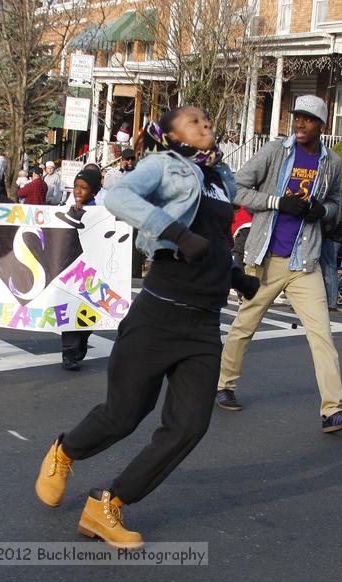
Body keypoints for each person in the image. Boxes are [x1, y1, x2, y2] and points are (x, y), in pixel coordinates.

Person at [33, 105, 257, 549]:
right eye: (194, 121)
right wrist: (172, 230)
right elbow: (118, 198)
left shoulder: (220, 178)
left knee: (190, 426)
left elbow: (211, 240)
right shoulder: (163, 166)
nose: (205, 125)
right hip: (158, 314)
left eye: (208, 121)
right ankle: (65, 450)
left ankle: (108, 504)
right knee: (124, 415)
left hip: (203, 325)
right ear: (170, 133)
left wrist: (234, 273)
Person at [214, 94, 342, 433]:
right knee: (244, 326)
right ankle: (224, 385)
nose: (299, 123)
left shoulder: (332, 163)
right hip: (266, 257)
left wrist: (322, 211)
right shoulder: (274, 151)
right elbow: (235, 187)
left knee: (322, 334)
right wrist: (277, 201)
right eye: (296, 117)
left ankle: (333, 410)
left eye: (307, 119)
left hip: (303, 262)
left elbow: (336, 202)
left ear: (321, 125)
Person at [60, 168, 104, 370]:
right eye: (76, 186)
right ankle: (69, 353)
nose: (78, 191)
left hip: (93, 270)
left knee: (88, 312)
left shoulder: (102, 212)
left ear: (94, 192)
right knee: (70, 309)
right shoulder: (65, 206)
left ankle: (82, 341)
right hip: (71, 270)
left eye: (84, 188)